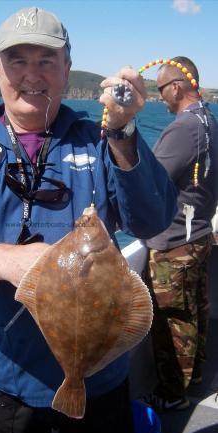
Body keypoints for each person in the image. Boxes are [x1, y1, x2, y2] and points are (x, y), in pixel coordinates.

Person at [0, 6, 177, 433]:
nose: (33, 75)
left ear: (67, 69)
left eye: (46, 61)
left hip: (102, 380)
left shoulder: (101, 140)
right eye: (18, 61)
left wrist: (124, 132)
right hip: (12, 381)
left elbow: (153, 220)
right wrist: (6, 260)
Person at [142, 56, 218, 412]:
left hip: (176, 245)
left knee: (174, 322)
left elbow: (150, 184)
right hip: (200, 235)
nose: (160, 99)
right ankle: (196, 377)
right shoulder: (209, 120)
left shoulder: (183, 129)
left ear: (176, 87)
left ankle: (173, 394)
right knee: (196, 313)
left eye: (160, 90)